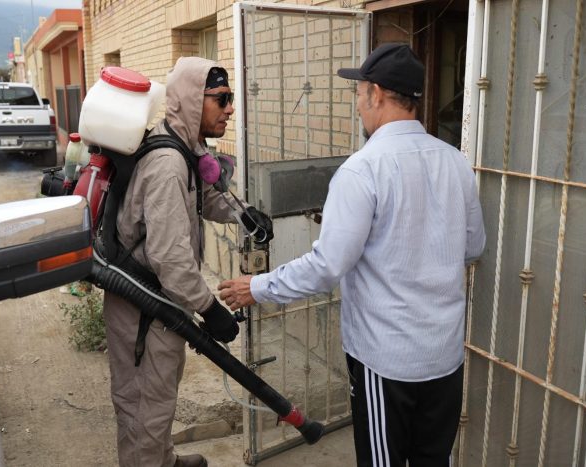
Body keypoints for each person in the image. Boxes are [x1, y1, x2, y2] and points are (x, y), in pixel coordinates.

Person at [218, 43, 486, 467]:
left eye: (358, 93)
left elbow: (327, 266)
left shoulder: (363, 170)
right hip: (444, 357)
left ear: (376, 93)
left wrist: (258, 287)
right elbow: (474, 247)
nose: (358, 104)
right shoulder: (456, 163)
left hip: (388, 362)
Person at [102, 57, 272, 467]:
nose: (230, 108)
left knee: (155, 398)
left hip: (157, 301)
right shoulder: (168, 165)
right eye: (222, 99)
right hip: (145, 305)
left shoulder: (182, 146)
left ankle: (163, 459)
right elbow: (171, 260)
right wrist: (212, 310)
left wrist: (243, 213)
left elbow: (202, 197)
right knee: (146, 405)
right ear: (194, 101)